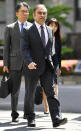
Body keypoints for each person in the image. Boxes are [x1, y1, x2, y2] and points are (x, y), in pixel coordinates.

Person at [21, 4, 67, 127]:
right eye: (40, 13)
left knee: (51, 93)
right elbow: (24, 49)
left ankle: (56, 118)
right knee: (30, 94)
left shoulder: (50, 30)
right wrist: (29, 61)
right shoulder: (27, 30)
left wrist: (55, 65)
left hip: (47, 67)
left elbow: (51, 50)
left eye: (44, 13)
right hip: (32, 66)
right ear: (34, 15)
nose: (42, 15)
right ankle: (31, 118)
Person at [3, 2, 32, 122]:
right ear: (17, 13)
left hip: (29, 62)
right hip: (14, 62)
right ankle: (14, 113)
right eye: (23, 11)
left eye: (27, 11)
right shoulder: (9, 28)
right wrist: (5, 64)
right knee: (15, 90)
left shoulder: (32, 27)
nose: (25, 13)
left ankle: (28, 113)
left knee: (30, 89)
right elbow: (6, 47)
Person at [42, 18, 62, 113]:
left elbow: (59, 54)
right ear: (47, 25)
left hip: (55, 63)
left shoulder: (58, 39)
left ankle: (55, 108)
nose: (54, 27)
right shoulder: (44, 36)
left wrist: (60, 67)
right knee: (45, 86)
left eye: (56, 26)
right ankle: (46, 106)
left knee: (55, 85)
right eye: (51, 25)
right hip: (45, 63)